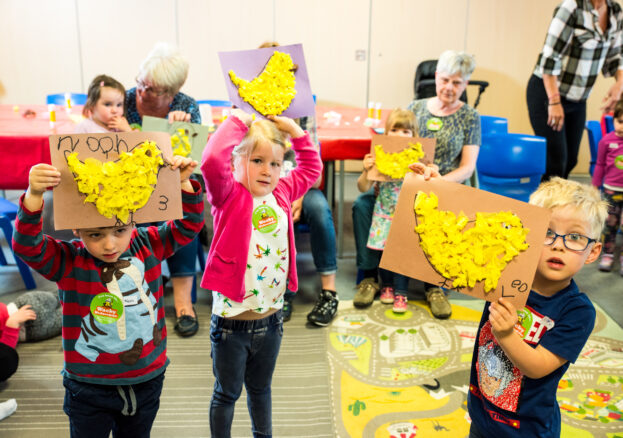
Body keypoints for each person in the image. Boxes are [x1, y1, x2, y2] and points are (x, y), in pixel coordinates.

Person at [12, 156, 204, 437]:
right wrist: (34, 195)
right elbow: (27, 245)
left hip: (147, 377)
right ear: (77, 230)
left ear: (133, 220)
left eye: (119, 231)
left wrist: (185, 182)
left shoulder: (147, 244)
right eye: (95, 234)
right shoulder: (70, 260)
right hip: (88, 386)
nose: (109, 244)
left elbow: (189, 225)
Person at [411, 163, 608, 437]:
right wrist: (438, 187)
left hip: (525, 428)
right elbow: (465, 232)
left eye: (575, 237)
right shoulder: (504, 269)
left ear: (592, 251)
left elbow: (538, 367)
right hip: (481, 411)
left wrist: (506, 335)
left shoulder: (577, 311)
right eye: (547, 232)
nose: (558, 244)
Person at [200, 108, 321, 437]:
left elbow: (312, 168)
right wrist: (238, 120)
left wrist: (296, 131)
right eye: (257, 161)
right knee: (226, 393)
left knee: (261, 390)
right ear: (237, 161)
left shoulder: (282, 190)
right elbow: (211, 160)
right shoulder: (228, 195)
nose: (267, 171)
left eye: (275, 163)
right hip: (231, 324)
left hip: (272, 320)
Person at [353, 49, 480, 318]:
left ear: (466, 84)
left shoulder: (470, 116)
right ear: (435, 78)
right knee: (362, 205)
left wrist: (436, 182)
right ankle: (369, 276)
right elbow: (395, 145)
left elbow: (468, 166)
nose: (449, 87)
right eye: (445, 80)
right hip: (400, 185)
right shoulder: (416, 108)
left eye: (457, 83)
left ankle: (433, 286)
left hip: (444, 184)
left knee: (434, 212)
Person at [257, 40, 340, 327]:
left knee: (319, 210)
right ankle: (281, 288)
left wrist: (299, 194)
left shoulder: (304, 111)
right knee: (271, 214)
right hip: (263, 190)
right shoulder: (249, 110)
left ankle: (329, 290)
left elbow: (314, 167)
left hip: (302, 186)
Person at [125, 42, 202, 337]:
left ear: (171, 92)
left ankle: (183, 302)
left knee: (180, 212)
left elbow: (191, 163)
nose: (142, 92)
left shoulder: (186, 106)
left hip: (169, 183)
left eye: (153, 89)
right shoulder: (124, 100)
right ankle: (140, 295)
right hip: (131, 186)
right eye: (141, 83)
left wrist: (176, 133)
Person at [527, 0, 623, 180]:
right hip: (547, 93)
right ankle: (545, 207)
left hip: (578, 99)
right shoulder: (572, 7)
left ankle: (555, 206)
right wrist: (554, 101)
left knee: (571, 159)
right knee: (556, 161)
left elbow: (616, 56)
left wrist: (620, 84)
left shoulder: (615, 11)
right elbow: (549, 58)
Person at [354, 109, 417, 313]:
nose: (399, 135)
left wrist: (428, 172)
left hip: (406, 214)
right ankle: (387, 286)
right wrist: (366, 169)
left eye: (406, 132)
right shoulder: (380, 156)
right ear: (386, 133)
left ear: (414, 136)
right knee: (383, 251)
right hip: (383, 213)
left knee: (401, 253)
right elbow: (363, 188)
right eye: (394, 130)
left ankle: (401, 292)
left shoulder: (417, 159)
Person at [592, 97, 623, 274]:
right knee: (609, 224)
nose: (622, 127)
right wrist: (595, 185)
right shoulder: (606, 141)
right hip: (611, 190)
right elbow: (600, 164)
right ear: (614, 120)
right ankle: (608, 254)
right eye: (620, 122)